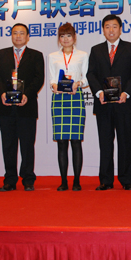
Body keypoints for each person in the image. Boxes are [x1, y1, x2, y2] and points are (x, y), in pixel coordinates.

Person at [87, 15, 131, 190]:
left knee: (125, 142)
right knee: (105, 143)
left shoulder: (130, 48)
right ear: (103, 30)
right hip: (103, 103)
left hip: (124, 103)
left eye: (114, 26)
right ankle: (106, 180)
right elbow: (91, 74)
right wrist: (99, 92)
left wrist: (126, 92)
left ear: (120, 29)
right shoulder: (96, 50)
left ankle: (126, 180)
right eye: (107, 27)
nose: (111, 30)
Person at [0, 23, 44, 192]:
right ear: (11, 36)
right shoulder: (1, 54)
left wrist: (26, 94)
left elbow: (39, 78)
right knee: (8, 144)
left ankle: (28, 179)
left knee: (27, 145)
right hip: (6, 106)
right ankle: (10, 180)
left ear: (28, 37)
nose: (18, 36)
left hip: (26, 106)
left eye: (22, 33)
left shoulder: (36, 55)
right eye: (15, 33)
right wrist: (2, 93)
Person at [47, 23, 88, 191]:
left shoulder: (83, 55)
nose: (65, 39)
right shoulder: (52, 56)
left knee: (76, 141)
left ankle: (76, 181)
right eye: (62, 36)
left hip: (75, 97)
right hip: (59, 99)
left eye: (69, 35)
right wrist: (53, 85)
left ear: (74, 37)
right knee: (62, 142)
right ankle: (63, 181)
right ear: (59, 39)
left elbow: (86, 78)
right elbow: (51, 78)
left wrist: (78, 83)